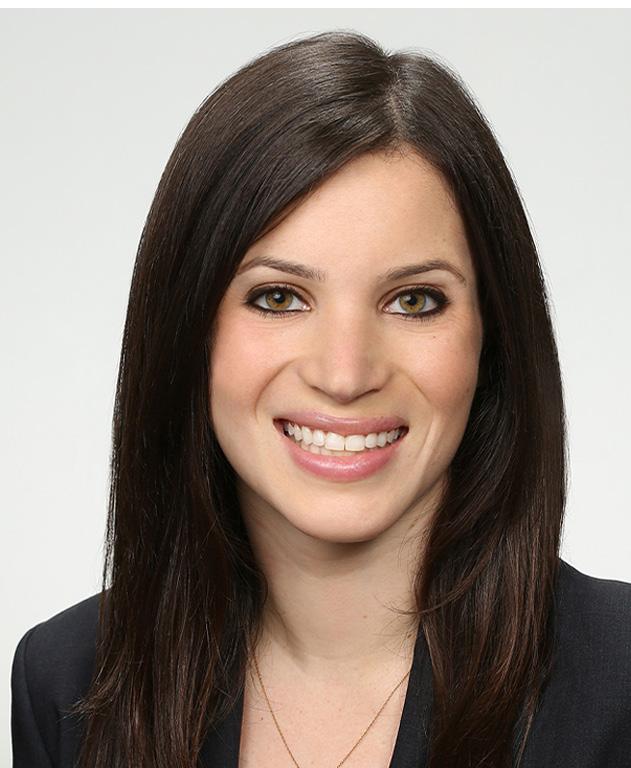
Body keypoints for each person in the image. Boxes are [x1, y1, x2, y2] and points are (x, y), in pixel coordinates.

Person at [11, 30, 631, 768]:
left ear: (491, 337)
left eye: (413, 300)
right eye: (278, 297)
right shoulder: (68, 681)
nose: (344, 373)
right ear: (188, 329)